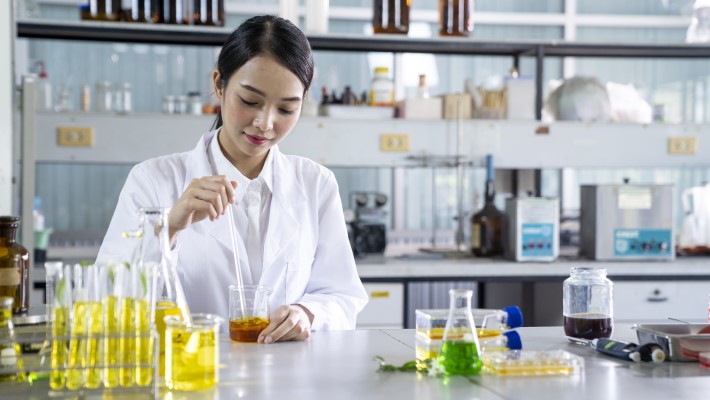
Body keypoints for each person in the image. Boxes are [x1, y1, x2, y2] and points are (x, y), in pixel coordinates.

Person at [97, 15, 368, 343]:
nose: (265, 123)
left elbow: (342, 296)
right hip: (190, 376)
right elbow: (106, 298)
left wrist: (308, 313)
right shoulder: (153, 180)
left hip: (287, 382)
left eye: (286, 109)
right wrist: (167, 228)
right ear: (219, 85)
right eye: (250, 101)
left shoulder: (316, 183)